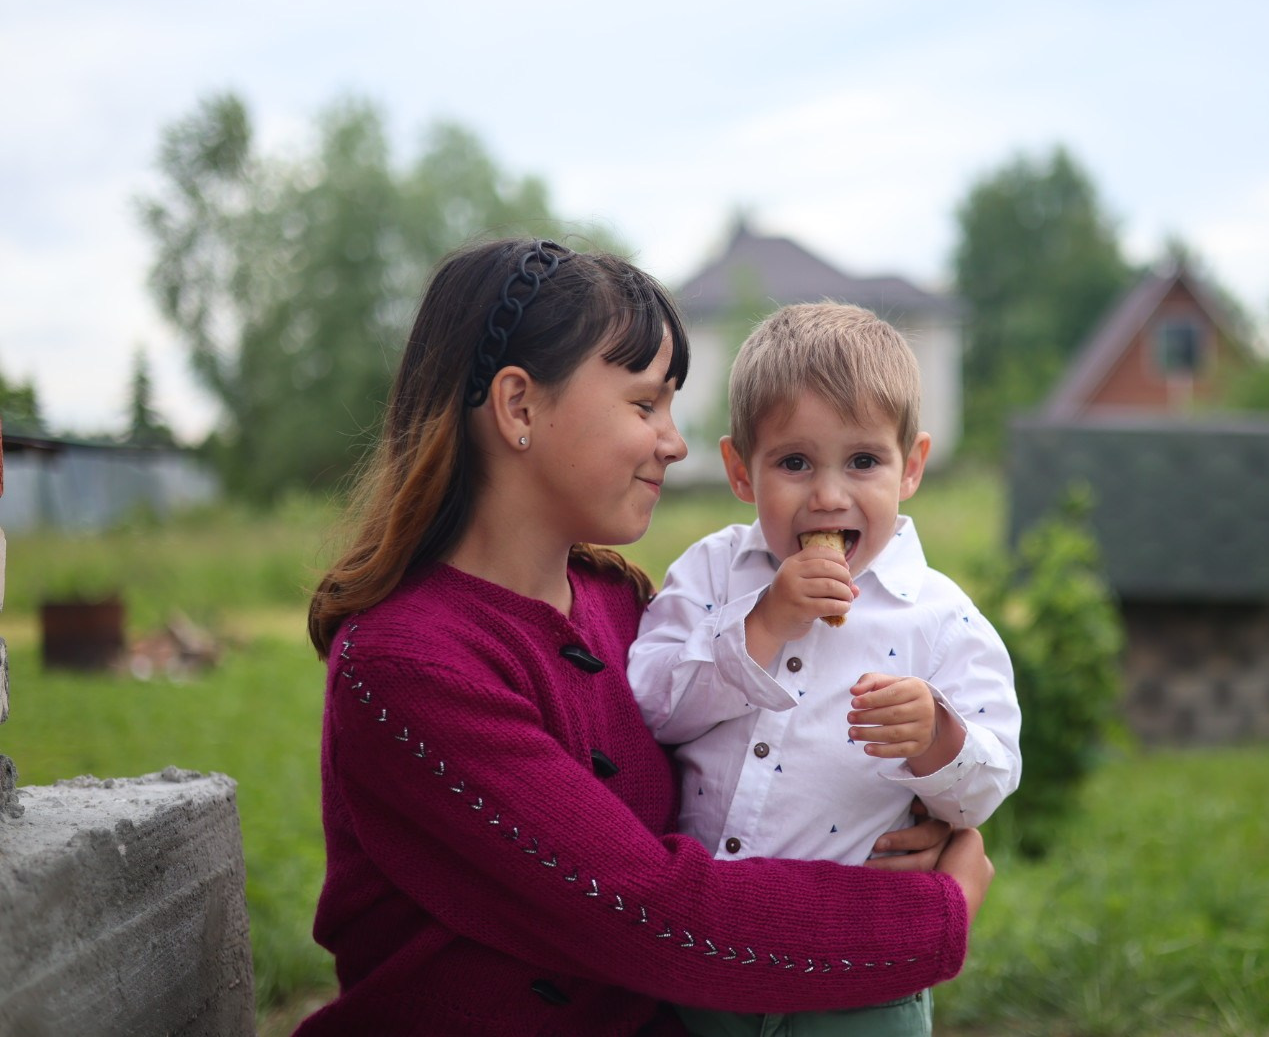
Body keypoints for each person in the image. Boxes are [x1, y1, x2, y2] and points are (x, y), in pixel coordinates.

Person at [297, 240, 993, 1037]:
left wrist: (921, 799)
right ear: (519, 407)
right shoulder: (405, 666)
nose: (675, 441)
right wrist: (941, 907)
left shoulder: (619, 604)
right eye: (644, 405)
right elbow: (647, 912)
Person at [628, 302, 1022, 1036]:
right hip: (701, 960)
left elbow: (986, 790)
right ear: (742, 472)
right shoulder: (715, 574)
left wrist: (938, 736)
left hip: (860, 976)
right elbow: (651, 706)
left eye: (864, 461)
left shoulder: (939, 618)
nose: (830, 495)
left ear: (912, 468)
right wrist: (764, 623)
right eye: (795, 462)